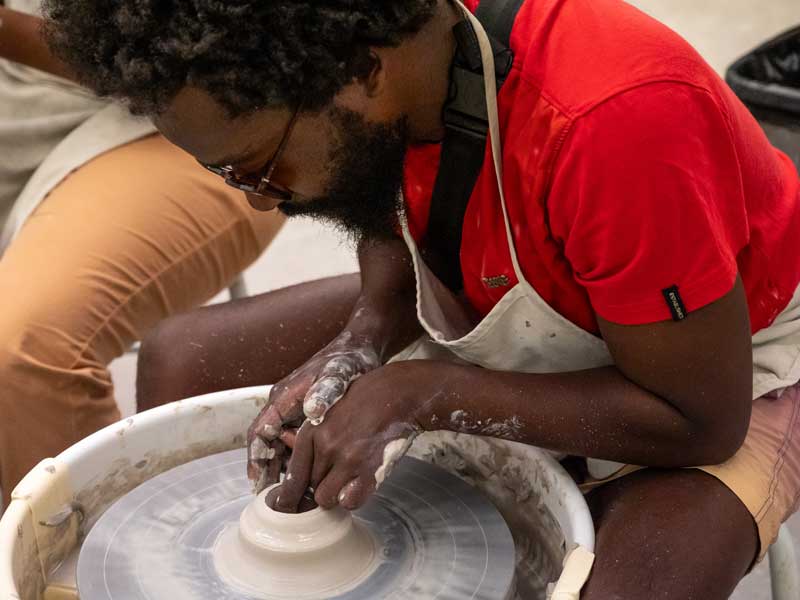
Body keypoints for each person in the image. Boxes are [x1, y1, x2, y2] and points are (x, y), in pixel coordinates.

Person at [43, 0, 800, 596]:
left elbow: (698, 419)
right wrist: (365, 336)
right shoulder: (396, 50)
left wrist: (430, 391)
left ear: (362, 70)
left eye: (259, 166)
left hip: (724, 366)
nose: (266, 201)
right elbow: (380, 194)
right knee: (185, 357)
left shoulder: (612, 120)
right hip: (505, 289)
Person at [0, 1, 285, 508]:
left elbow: (213, 58)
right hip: (19, 105)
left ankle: (81, 576)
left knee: (27, 345)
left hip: (196, 114)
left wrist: (7, 31)